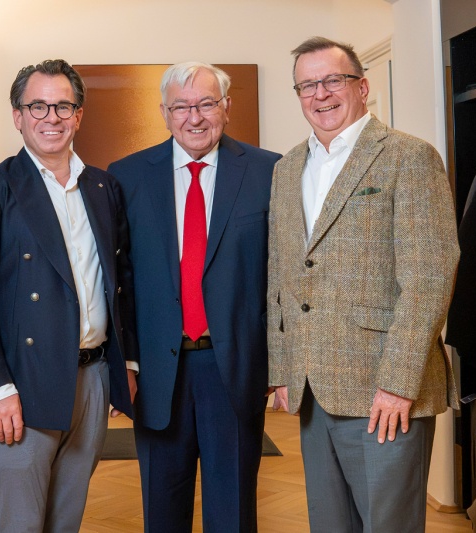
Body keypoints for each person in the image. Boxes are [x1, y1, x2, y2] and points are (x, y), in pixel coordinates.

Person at [267, 36, 460, 532]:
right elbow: (280, 273)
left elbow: (429, 276)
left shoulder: (408, 157)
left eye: (333, 80)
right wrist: (282, 368)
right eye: (307, 85)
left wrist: (397, 383)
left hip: (383, 393)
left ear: (363, 86)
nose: (321, 93)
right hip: (313, 388)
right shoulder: (287, 169)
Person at [0, 59, 137, 532]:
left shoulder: (103, 186)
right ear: (17, 115)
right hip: (20, 384)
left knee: (65, 521)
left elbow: (121, 283)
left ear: (78, 115)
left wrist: (126, 365)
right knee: (21, 523)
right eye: (37, 106)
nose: (50, 117)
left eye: (62, 105)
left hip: (91, 379)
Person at [107, 62, 281, 533]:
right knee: (162, 512)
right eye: (182, 106)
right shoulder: (125, 177)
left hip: (235, 370)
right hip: (159, 374)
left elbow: (284, 277)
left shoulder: (270, 172)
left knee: (234, 512)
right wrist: (123, 364)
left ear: (226, 107)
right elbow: (115, 281)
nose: (195, 117)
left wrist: (281, 364)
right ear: (165, 113)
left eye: (206, 103)